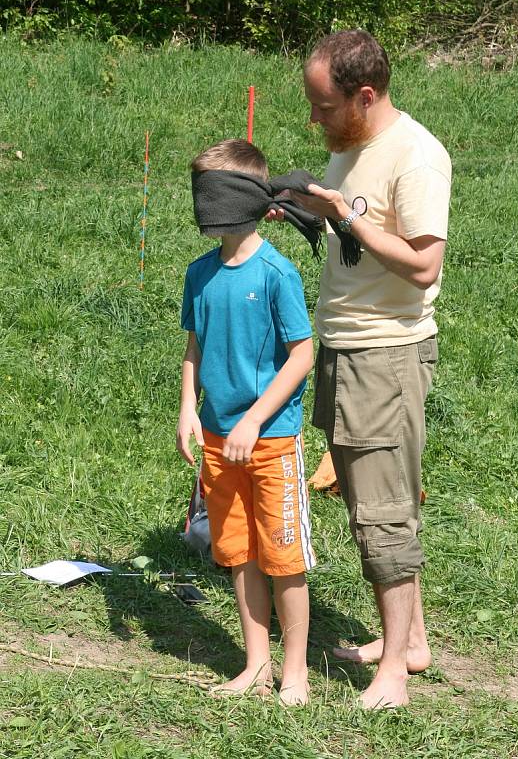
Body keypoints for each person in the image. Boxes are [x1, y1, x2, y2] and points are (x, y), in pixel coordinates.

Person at [270, 29, 451, 709]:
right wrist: (312, 209)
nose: (313, 118)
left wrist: (345, 214)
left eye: (322, 106)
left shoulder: (416, 157)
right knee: (365, 500)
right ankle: (408, 640)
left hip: (385, 353)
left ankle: (394, 679)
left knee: (382, 516)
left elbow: (422, 265)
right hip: (345, 348)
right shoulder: (351, 147)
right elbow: (358, 233)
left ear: (364, 95)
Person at [176, 138, 317, 705]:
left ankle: (296, 674)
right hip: (216, 438)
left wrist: (255, 420)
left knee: (283, 557)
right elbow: (194, 344)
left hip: (271, 441)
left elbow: (303, 355)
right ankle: (257, 663)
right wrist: (189, 404)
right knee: (238, 551)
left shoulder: (278, 273)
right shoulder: (200, 273)